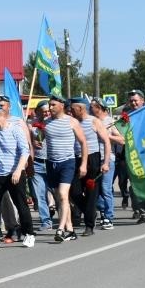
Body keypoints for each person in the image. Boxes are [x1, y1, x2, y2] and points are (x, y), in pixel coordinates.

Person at [0, 102, 35, 252]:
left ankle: (29, 233)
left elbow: (25, 151)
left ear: (2, 115)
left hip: (14, 173)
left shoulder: (15, 129)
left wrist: (18, 170)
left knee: (21, 204)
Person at [43, 95, 87, 243]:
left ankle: (60, 229)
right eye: (49, 105)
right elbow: (41, 140)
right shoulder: (46, 123)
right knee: (61, 198)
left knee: (63, 195)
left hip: (67, 162)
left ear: (62, 105)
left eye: (53, 105)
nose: (50, 108)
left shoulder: (72, 122)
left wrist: (84, 164)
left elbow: (83, 142)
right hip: (51, 163)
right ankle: (70, 229)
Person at [68, 98, 113, 237]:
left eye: (73, 108)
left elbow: (106, 142)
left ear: (81, 108)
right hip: (76, 159)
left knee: (91, 193)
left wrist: (105, 163)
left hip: (92, 160)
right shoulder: (71, 122)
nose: (70, 111)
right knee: (74, 192)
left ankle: (89, 226)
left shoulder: (94, 121)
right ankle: (90, 213)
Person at [124, 89, 145, 223]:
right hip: (134, 155)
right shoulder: (127, 116)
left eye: (135, 100)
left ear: (142, 101)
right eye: (131, 101)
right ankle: (143, 213)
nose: (133, 103)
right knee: (136, 185)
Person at [90, 98, 124, 229]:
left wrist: (106, 135)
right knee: (93, 189)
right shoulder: (91, 121)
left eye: (92, 106)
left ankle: (109, 217)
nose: (90, 109)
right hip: (93, 159)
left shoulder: (109, 121)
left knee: (105, 189)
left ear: (99, 107)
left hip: (107, 159)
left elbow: (122, 140)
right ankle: (103, 210)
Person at [28, 100, 53, 230]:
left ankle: (65, 218)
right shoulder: (31, 126)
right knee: (40, 194)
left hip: (52, 162)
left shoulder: (53, 123)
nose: (47, 114)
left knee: (58, 193)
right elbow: (26, 143)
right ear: (37, 112)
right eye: (43, 112)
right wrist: (32, 142)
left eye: (48, 111)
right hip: (37, 162)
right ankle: (46, 221)